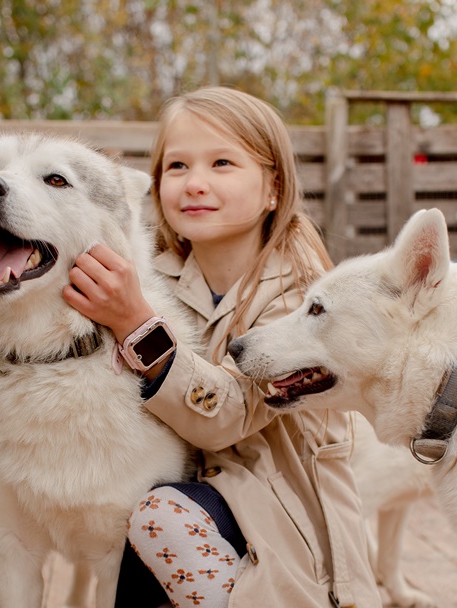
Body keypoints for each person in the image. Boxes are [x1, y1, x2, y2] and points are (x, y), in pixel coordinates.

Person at [63, 86, 381, 608]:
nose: (196, 183)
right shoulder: (153, 278)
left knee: (160, 516)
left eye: (223, 163)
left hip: (277, 514)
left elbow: (228, 414)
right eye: (178, 166)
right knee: (140, 512)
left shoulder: (306, 301)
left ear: (273, 188)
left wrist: (136, 322)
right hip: (179, 489)